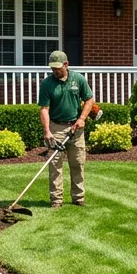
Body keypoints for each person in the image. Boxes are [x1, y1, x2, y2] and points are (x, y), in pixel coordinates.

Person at [38, 50, 95, 208]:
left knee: (77, 163)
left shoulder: (78, 79)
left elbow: (89, 100)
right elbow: (44, 108)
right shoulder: (47, 84)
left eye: (58, 68)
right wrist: (47, 131)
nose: (55, 71)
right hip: (56, 127)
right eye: (52, 68)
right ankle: (56, 200)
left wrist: (82, 119)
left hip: (76, 128)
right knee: (55, 164)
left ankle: (78, 198)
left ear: (66, 65)